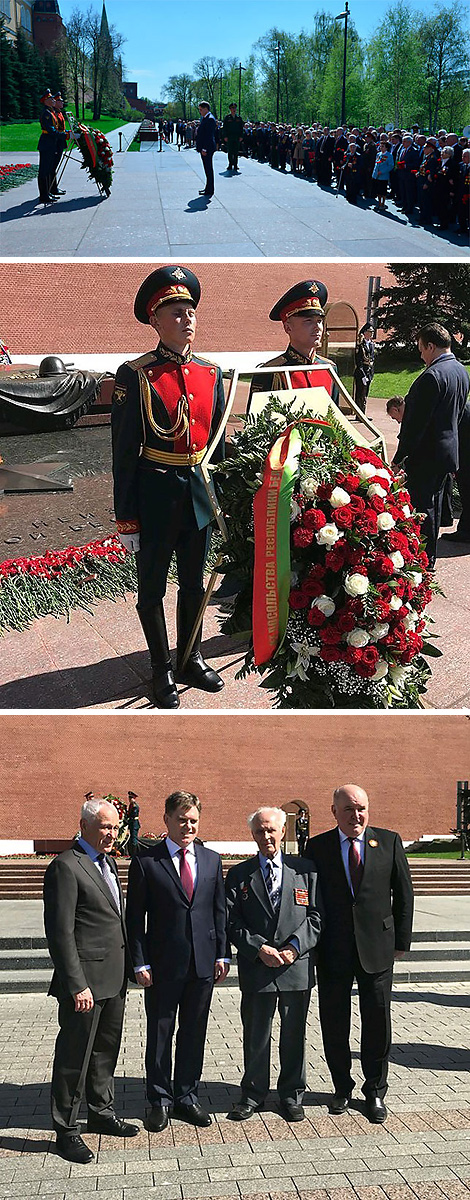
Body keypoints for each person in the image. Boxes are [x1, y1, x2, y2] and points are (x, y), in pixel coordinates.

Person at [111, 266, 226, 708]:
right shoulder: (136, 374)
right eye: (176, 312)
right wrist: (127, 518)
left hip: (197, 492)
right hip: (155, 493)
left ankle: (190, 657)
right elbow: (123, 452)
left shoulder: (212, 373)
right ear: (155, 321)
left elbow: (215, 444)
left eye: (191, 311)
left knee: (194, 585)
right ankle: (161, 669)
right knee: (152, 589)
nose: (187, 319)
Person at [305, 785, 414, 1124]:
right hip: (334, 948)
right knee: (334, 1021)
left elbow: (404, 893)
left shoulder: (389, 841)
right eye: (349, 809)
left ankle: (375, 1091)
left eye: (362, 808)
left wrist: (401, 941)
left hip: (378, 948)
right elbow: (310, 895)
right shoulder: (317, 846)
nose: (356, 816)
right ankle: (341, 1086)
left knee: (378, 1022)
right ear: (334, 811)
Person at [125, 790, 228, 1131]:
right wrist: (139, 963)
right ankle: (158, 1099)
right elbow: (134, 918)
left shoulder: (211, 860)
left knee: (194, 1032)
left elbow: (218, 912)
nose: (188, 826)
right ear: (166, 819)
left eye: (194, 820)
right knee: (160, 1031)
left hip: (202, 963)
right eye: (182, 819)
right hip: (162, 965)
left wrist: (222, 953)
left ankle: (186, 1096)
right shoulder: (146, 861)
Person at [43, 799, 139, 1164]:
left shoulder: (109, 862)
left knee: (104, 1052)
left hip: (113, 978)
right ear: (83, 825)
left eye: (114, 827)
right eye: (103, 826)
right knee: (74, 1057)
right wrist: (75, 983)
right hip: (84, 983)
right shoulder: (66, 867)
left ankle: (101, 1113)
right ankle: (66, 1130)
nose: (110, 833)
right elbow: (60, 933)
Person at [225, 807, 321, 1123]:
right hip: (258, 967)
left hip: (296, 967)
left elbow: (317, 917)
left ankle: (292, 1095)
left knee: (294, 1035)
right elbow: (231, 920)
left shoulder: (306, 870)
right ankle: (252, 1094)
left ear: (283, 832)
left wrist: (294, 947)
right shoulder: (240, 875)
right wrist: (257, 948)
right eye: (259, 831)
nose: (266, 836)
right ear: (252, 835)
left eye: (271, 830)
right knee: (256, 1034)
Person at [392, 323, 469, 567]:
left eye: (421, 349)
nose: (421, 354)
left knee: (422, 509)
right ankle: (428, 558)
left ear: (431, 345)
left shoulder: (431, 377)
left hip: (427, 455)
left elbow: (415, 425)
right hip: (447, 452)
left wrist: (399, 457)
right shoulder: (460, 371)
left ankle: (422, 560)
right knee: (434, 507)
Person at [248, 279, 339, 408]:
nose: (317, 327)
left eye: (319, 321)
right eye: (308, 321)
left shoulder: (329, 369)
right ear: (288, 328)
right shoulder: (271, 372)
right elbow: (257, 425)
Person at [37, 89, 59, 205]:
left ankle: (47, 192)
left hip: (50, 144)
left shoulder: (50, 112)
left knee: (48, 168)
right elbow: (51, 130)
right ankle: (43, 195)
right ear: (46, 101)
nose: (52, 100)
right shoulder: (46, 113)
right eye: (50, 98)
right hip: (46, 144)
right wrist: (65, 135)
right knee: (44, 170)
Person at [196, 100, 217, 197]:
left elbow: (209, 136)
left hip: (207, 149)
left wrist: (204, 148)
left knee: (208, 169)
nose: (200, 111)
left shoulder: (210, 119)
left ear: (205, 109)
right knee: (207, 169)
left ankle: (210, 190)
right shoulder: (205, 118)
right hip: (204, 148)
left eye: (201, 109)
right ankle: (208, 188)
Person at [354, 323, 375, 414]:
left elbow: (372, 359)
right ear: (365, 333)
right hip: (361, 373)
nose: (371, 333)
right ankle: (359, 414)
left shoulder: (372, 344)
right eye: (370, 332)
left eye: (372, 332)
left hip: (369, 373)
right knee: (360, 395)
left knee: (365, 394)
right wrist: (363, 375)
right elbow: (359, 361)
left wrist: (371, 374)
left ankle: (363, 413)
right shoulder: (360, 345)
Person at [50, 92, 67, 198]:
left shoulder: (59, 112)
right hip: (56, 142)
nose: (62, 102)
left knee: (54, 166)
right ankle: (52, 188)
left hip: (60, 141)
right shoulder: (54, 114)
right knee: (52, 166)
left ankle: (54, 187)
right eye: (60, 101)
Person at [222, 102, 244, 171]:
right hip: (229, 137)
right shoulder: (227, 118)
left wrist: (241, 136)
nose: (233, 109)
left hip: (237, 137)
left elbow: (241, 128)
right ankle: (230, 164)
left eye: (234, 108)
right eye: (232, 108)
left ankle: (235, 164)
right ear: (230, 109)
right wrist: (225, 136)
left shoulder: (239, 118)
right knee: (230, 151)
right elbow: (224, 128)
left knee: (236, 151)